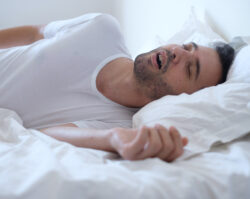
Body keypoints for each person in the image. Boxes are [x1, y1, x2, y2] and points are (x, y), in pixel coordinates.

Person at [0, 13, 235, 162]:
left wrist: (111, 139)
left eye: (190, 69)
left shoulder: (122, 123)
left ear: (186, 98)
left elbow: (45, 133)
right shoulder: (102, 29)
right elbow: (35, 33)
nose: (178, 52)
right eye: (186, 46)